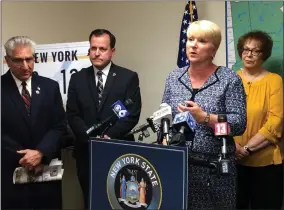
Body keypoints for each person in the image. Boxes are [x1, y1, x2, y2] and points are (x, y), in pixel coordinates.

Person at [161, 20, 247, 209]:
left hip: (214, 168)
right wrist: (164, 142)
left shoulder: (229, 79)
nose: (193, 45)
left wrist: (207, 118)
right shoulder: (174, 77)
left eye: (201, 41)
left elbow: (239, 123)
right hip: (179, 164)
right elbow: (165, 116)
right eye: (190, 39)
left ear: (213, 49)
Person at [66, 29, 142, 208]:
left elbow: (132, 114)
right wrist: (90, 138)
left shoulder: (128, 77)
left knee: (119, 201)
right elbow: (72, 114)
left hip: (118, 150)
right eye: (93, 48)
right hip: (86, 151)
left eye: (102, 48)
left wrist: (108, 138)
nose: (97, 53)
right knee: (91, 199)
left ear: (112, 51)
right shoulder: (77, 79)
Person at [1, 36, 66, 209]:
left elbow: (59, 126)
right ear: (7, 60)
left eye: (29, 59)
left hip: (46, 176)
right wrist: (25, 157)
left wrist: (40, 153)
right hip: (11, 177)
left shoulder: (49, 87)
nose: (25, 66)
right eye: (18, 60)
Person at [234, 30, 283, 209]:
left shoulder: (274, 81)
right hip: (232, 160)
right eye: (245, 49)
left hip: (265, 163)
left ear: (264, 54)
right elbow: (220, 116)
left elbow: (276, 121)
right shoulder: (231, 78)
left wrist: (246, 149)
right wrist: (233, 146)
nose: (249, 54)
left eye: (256, 51)